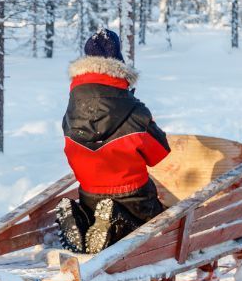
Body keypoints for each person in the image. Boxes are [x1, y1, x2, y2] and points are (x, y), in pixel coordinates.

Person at [55, 29, 171, 253]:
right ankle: (114, 221)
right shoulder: (135, 110)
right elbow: (159, 154)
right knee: (153, 224)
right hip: (135, 198)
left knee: (96, 209)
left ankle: (83, 219)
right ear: (119, 65)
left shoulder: (71, 112)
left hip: (89, 195)